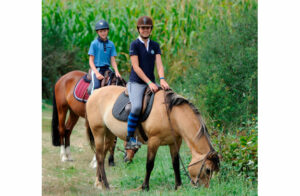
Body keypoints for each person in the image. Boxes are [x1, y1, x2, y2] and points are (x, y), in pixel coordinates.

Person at [125, 16, 170, 150]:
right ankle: (130, 139)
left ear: (151, 29)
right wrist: (149, 82)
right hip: (137, 83)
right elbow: (136, 67)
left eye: (148, 28)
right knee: (137, 107)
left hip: (152, 82)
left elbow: (159, 65)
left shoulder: (155, 45)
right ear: (138, 29)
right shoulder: (134, 45)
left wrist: (162, 79)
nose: (145, 30)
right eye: (142, 28)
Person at [88, 19, 121, 94]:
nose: (103, 33)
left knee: (116, 84)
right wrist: (96, 73)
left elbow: (113, 60)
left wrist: (117, 71)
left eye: (104, 31)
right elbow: (91, 61)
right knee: (95, 87)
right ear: (97, 32)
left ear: (108, 31)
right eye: (100, 31)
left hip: (107, 69)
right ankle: (92, 104)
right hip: (97, 69)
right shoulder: (94, 44)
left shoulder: (111, 44)